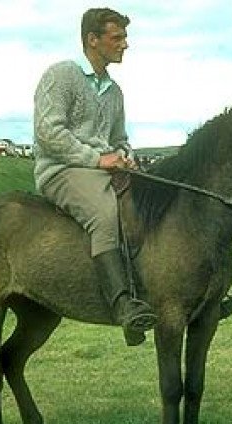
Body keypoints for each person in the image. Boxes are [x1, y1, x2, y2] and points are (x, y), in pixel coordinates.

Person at [33, 8, 156, 347]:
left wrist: (125, 156)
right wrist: (97, 159)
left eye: (124, 38)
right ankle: (121, 305)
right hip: (61, 170)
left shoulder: (114, 92)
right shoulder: (62, 75)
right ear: (92, 40)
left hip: (101, 169)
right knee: (105, 214)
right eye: (118, 38)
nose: (125, 45)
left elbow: (118, 140)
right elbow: (48, 132)